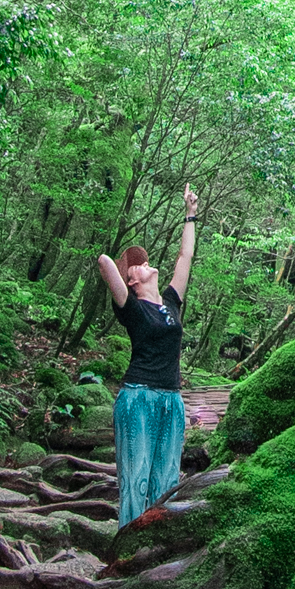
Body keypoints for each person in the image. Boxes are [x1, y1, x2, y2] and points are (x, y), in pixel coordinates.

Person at [97, 185, 199, 527]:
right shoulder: (133, 310)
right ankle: (125, 550)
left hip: (171, 401)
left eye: (143, 262)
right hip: (138, 397)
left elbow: (185, 259)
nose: (144, 264)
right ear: (132, 282)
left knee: (166, 484)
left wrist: (190, 212)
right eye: (137, 266)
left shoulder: (170, 302)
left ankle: (151, 550)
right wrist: (126, 274)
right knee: (135, 480)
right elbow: (104, 263)